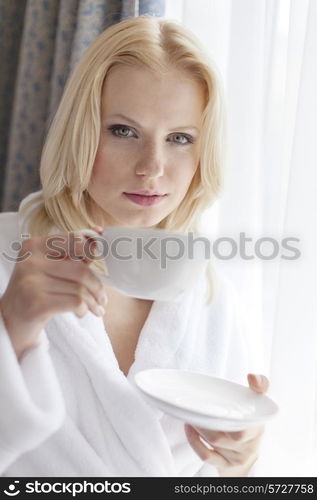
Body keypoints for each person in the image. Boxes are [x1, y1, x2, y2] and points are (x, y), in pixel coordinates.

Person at [0, 15, 269, 477]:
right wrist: (12, 329)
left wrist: (238, 465)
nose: (152, 167)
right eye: (123, 131)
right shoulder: (11, 262)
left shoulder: (212, 299)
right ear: (82, 132)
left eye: (180, 138)